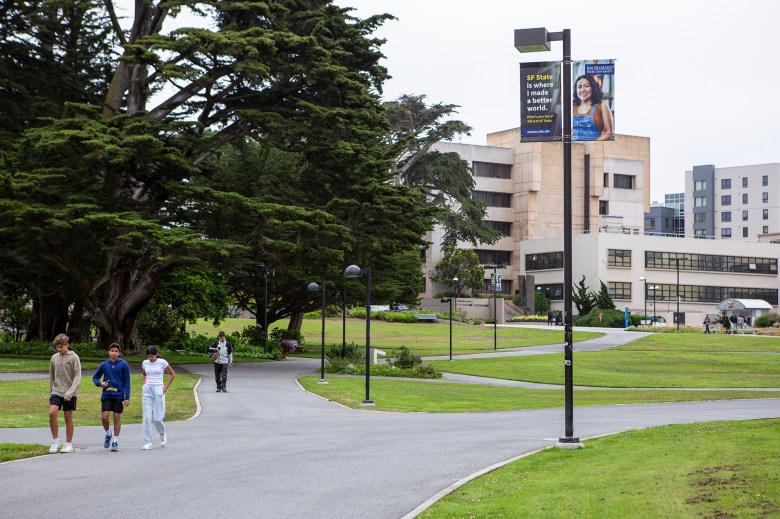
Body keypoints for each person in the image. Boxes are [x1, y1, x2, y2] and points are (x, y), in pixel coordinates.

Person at [93, 343, 131, 451]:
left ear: (119, 353)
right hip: (107, 394)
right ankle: (108, 433)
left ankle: (115, 440)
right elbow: (95, 377)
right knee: (104, 417)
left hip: (118, 395)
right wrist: (100, 384)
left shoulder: (123, 364)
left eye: (116, 351)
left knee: (116, 417)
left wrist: (127, 397)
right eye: (112, 350)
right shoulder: (104, 364)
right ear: (108, 352)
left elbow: (127, 381)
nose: (114, 352)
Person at [49, 333, 82, 453]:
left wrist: (71, 392)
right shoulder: (54, 358)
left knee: (68, 417)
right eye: (57, 347)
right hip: (57, 390)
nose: (59, 349)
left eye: (61, 347)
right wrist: (51, 390)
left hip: (70, 392)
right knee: (52, 412)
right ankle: (55, 441)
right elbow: (52, 375)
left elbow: (77, 377)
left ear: (66, 345)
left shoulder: (74, 357)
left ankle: (68, 444)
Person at [141, 346, 176, 450]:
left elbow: (172, 374)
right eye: (148, 356)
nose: (150, 358)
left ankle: (162, 432)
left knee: (157, 418)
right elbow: (144, 374)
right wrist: (144, 384)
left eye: (152, 356)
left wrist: (165, 387)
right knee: (147, 417)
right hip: (147, 390)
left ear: (156, 355)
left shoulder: (162, 362)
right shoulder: (145, 363)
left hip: (158, 389)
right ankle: (148, 442)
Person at [572, 74, 614, 141]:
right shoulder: (571, 106)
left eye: (586, 86)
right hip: (573, 147)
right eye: (579, 87)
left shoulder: (602, 106)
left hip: (594, 148)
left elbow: (609, 132)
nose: (582, 90)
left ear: (593, 88)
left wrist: (594, 144)